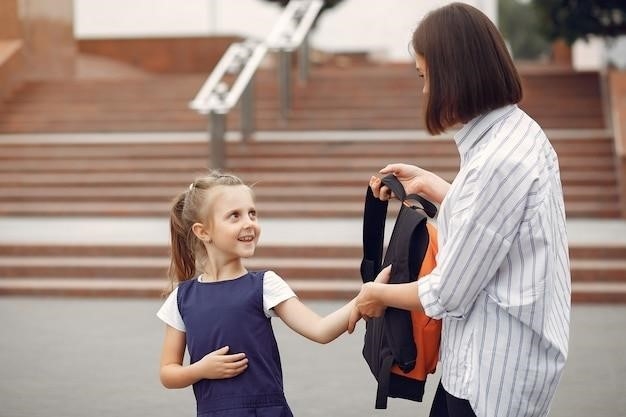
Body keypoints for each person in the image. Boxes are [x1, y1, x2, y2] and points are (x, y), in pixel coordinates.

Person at [347, 3, 571, 417]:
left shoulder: (498, 162)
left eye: (423, 76)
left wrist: (376, 295)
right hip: (496, 361)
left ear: (453, 74)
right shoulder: (516, 133)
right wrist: (434, 186)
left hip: (493, 373)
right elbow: (501, 226)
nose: (424, 90)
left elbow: (447, 292)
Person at [157, 171, 359, 417]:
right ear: (203, 232)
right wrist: (200, 369)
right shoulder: (182, 298)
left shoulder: (265, 285)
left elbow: (321, 330)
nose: (249, 223)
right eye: (234, 216)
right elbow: (168, 372)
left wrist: (366, 297)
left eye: (252, 213)